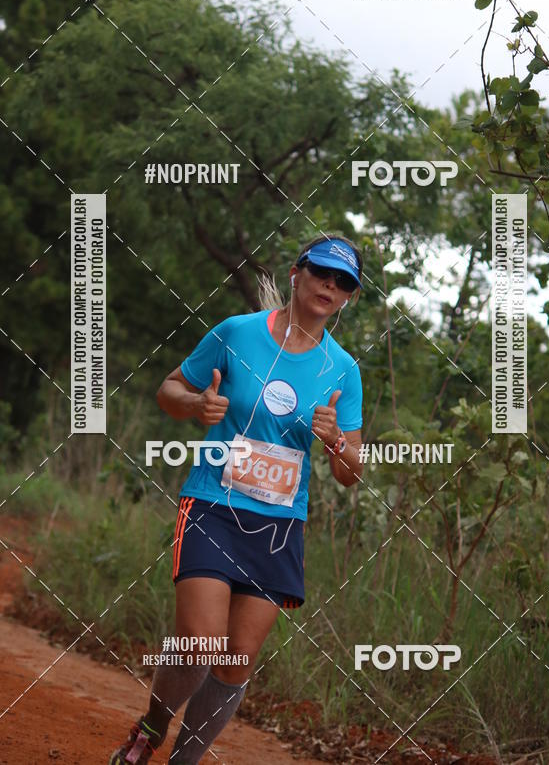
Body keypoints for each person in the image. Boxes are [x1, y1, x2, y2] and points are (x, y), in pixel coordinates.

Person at [109, 234, 365, 764]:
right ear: (297, 274)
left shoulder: (343, 371)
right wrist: (195, 405)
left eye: (343, 283)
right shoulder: (237, 333)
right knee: (201, 644)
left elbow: (349, 473)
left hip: (278, 526)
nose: (330, 286)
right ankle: (150, 730)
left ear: (348, 298)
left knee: (235, 661)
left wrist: (336, 439)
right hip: (212, 507)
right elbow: (169, 390)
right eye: (322, 273)